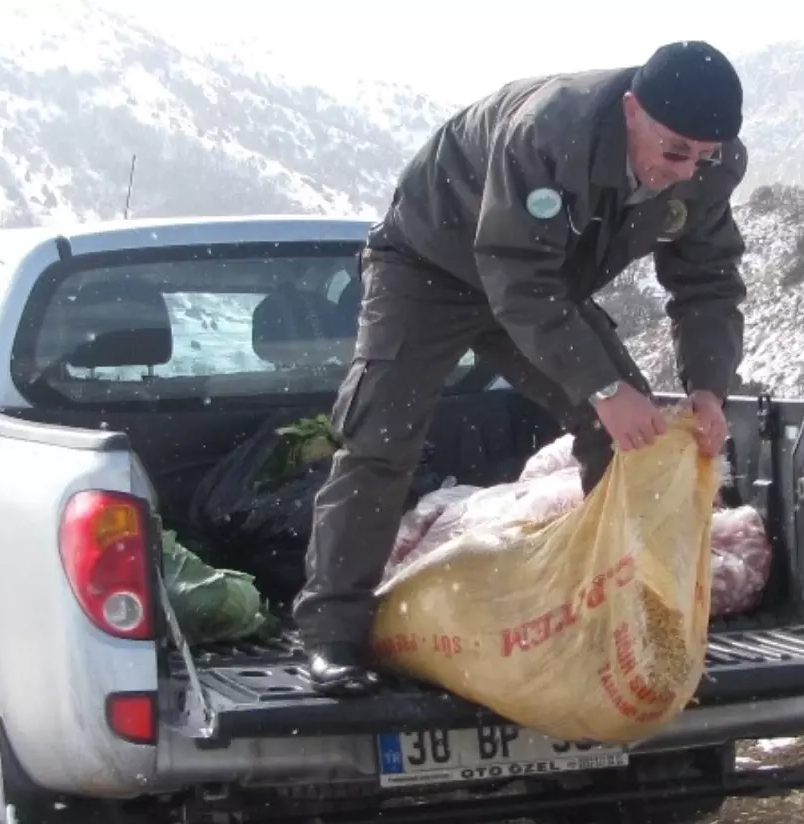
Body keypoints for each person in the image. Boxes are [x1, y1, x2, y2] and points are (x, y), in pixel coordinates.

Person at [295, 40, 750, 695]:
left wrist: (708, 386)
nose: (685, 171)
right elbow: (514, 278)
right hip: (430, 267)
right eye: (674, 150)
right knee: (379, 441)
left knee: (633, 436)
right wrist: (602, 386)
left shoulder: (705, 163)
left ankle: (636, 624)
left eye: (702, 157)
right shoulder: (547, 131)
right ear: (630, 111)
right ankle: (333, 634)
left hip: (544, 279)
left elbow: (707, 278)